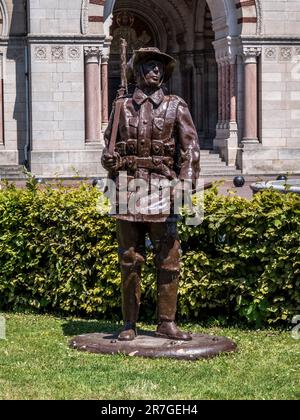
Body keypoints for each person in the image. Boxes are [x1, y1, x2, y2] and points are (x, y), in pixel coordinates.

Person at [101, 47, 200, 341]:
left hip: (163, 189)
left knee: (169, 259)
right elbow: (110, 147)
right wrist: (109, 161)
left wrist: (186, 182)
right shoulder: (121, 107)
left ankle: (166, 322)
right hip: (127, 188)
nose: (155, 71)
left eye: (159, 67)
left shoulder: (175, 106)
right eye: (149, 66)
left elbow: (190, 149)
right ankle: (129, 323)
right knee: (129, 259)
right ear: (138, 71)